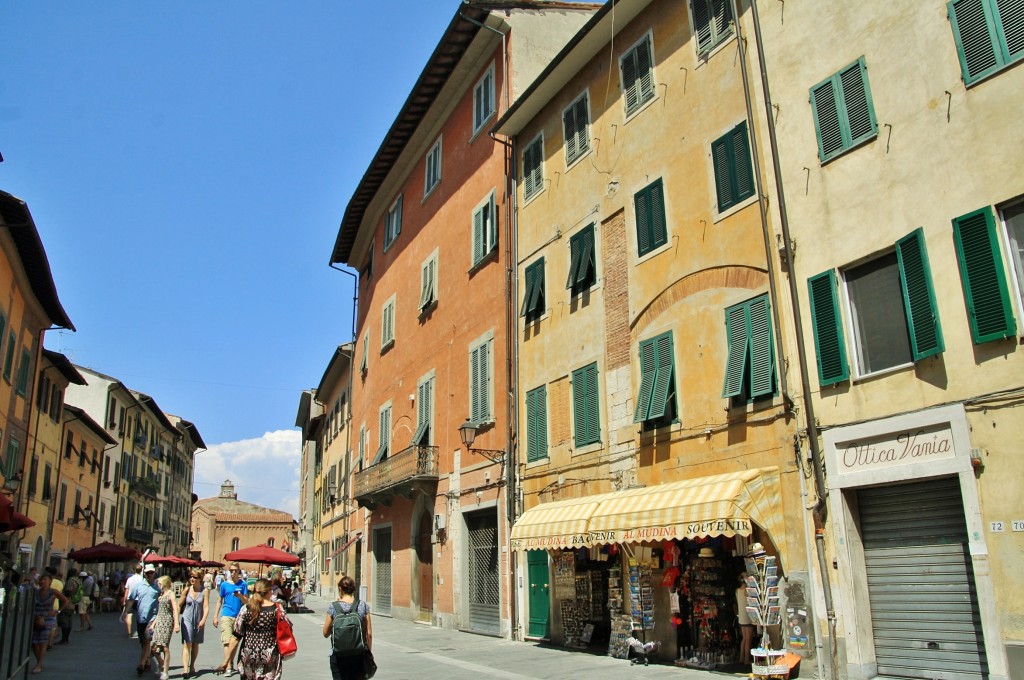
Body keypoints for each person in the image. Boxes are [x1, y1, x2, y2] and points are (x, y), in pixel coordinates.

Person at [220, 578, 289, 680]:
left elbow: (236, 637)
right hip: (270, 655)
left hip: (249, 655)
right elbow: (287, 629)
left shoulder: (246, 609)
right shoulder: (277, 609)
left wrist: (226, 661)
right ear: (269, 592)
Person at [323, 575, 372, 680]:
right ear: (354, 589)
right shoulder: (363, 605)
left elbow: (325, 633)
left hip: (338, 655)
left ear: (340, 589)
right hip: (359, 654)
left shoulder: (333, 606)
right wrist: (368, 653)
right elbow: (369, 634)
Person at [213, 562, 249, 676]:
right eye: (231, 570)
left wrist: (240, 596)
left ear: (239, 571)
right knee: (227, 642)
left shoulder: (243, 584)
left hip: (238, 616)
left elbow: (247, 602)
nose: (233, 572)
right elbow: (219, 600)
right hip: (226, 615)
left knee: (235, 643)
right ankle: (228, 666)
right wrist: (215, 616)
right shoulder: (224, 585)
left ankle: (230, 662)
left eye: (235, 570)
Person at [31, 572, 69, 674]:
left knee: (43, 641)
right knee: (34, 642)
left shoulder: (53, 592)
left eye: (45, 580)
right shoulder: (35, 592)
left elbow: (66, 601)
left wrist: (58, 611)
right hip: (36, 618)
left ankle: (39, 665)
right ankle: (39, 661)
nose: (43, 582)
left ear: (50, 582)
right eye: (41, 580)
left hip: (48, 618)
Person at [130, 564, 162, 676]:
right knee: (143, 643)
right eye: (148, 573)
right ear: (144, 573)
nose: (149, 575)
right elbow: (131, 599)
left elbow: (164, 597)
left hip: (152, 619)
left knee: (147, 640)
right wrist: (125, 612)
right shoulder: (139, 586)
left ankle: (141, 664)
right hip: (140, 618)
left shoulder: (158, 586)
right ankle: (148, 661)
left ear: (154, 573)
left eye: (151, 573)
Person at [148, 575, 180, 680]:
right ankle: (161, 663)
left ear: (164, 584)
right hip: (160, 621)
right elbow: (159, 612)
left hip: (167, 621)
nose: (158, 585)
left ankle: (165, 672)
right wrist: (153, 624)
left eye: (159, 584)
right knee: (153, 647)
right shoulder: (162, 594)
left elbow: (175, 609)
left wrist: (176, 623)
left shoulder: (171, 594)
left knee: (165, 647)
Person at [180, 568, 210, 678]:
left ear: (200, 579)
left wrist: (203, 620)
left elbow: (206, 607)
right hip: (186, 619)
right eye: (191, 576)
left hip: (198, 619)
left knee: (195, 643)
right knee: (187, 643)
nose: (192, 579)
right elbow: (179, 605)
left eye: (195, 577)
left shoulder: (205, 591)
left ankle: (192, 665)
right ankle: (185, 669)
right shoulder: (186, 590)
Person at [736, 572, 754, 666]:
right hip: (747, 616)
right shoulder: (747, 590)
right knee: (748, 638)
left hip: (741, 617)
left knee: (744, 638)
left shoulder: (737, 590)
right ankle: (747, 659)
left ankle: (741, 658)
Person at [123, 564, 144, 637]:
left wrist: (124, 600)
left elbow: (127, 591)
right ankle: (140, 631)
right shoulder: (142, 579)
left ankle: (129, 632)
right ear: (141, 570)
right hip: (139, 599)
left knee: (129, 615)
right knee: (139, 615)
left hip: (130, 599)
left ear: (134, 570)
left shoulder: (130, 579)